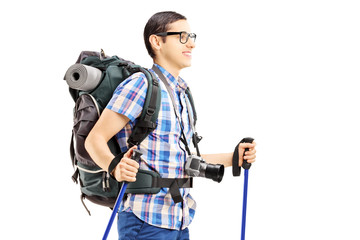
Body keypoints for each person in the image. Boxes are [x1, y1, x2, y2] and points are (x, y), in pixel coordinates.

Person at [85, 11, 257, 240]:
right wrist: (115, 167)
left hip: (179, 219)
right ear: (157, 41)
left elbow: (182, 160)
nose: (192, 44)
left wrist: (233, 157)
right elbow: (94, 139)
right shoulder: (140, 85)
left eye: (192, 36)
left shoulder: (182, 91)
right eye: (182, 37)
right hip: (144, 221)